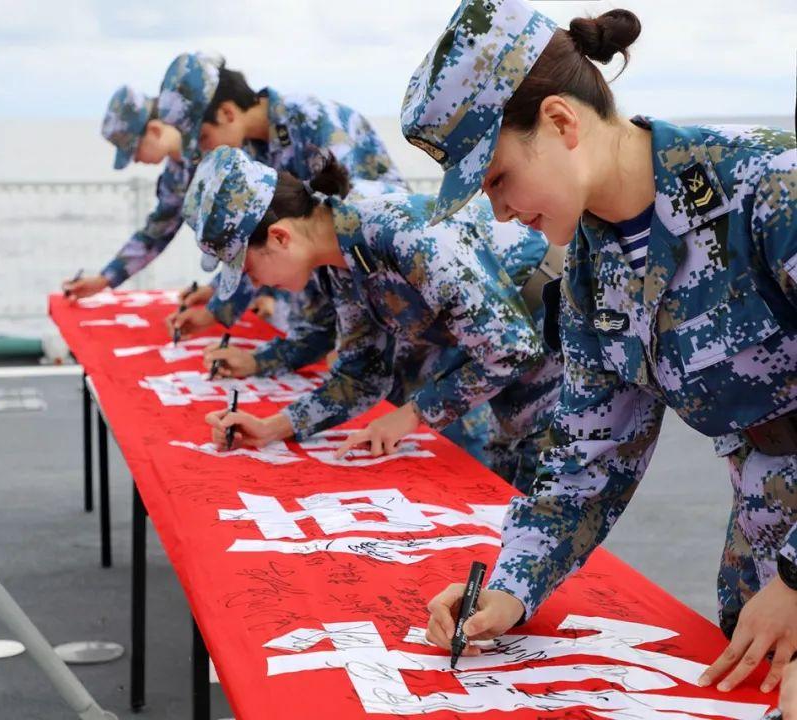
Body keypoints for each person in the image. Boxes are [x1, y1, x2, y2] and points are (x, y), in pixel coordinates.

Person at [402, 0, 797, 694]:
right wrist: (511, 586)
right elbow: (588, 459)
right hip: (764, 553)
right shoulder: (592, 269)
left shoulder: (767, 189)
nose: (498, 211)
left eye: (497, 178)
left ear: (559, 121)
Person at [184, 146, 562, 492]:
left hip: (555, 342)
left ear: (281, 237)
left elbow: (511, 348)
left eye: (249, 269)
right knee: (505, 504)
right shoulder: (342, 267)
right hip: (513, 352)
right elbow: (361, 375)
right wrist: (271, 428)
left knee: (537, 506)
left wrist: (412, 414)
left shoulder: (401, 232)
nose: (257, 283)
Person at [156, 52, 409, 338]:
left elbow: (336, 225)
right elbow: (256, 242)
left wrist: (346, 341)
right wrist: (217, 304)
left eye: (203, 138)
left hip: (389, 281)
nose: (206, 150)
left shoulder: (312, 119)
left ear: (227, 113)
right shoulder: (251, 151)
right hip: (338, 293)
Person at [62, 83, 192, 300]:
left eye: (135, 150)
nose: (136, 160)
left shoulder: (216, 146)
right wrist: (105, 279)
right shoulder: (175, 175)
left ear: (154, 130)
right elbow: (157, 232)